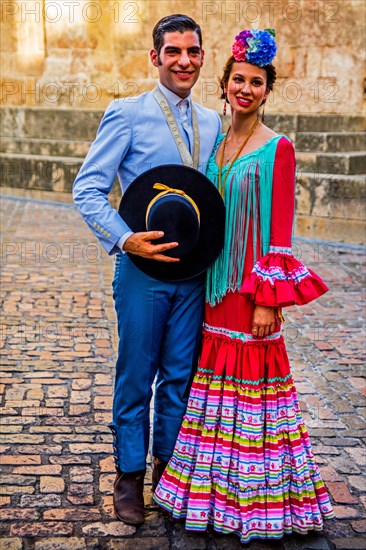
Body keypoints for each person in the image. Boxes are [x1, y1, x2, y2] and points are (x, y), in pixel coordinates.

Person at [154, 29, 334, 543]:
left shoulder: (278, 148)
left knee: (253, 392)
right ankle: (208, 496)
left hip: (250, 289)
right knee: (212, 388)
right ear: (225, 84)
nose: (246, 89)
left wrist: (266, 301)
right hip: (213, 285)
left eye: (256, 82)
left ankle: (259, 503)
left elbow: (280, 234)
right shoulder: (217, 142)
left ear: (267, 90)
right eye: (239, 80)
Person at [73, 14, 221, 526]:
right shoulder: (127, 113)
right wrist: (124, 238)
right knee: (136, 376)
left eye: (194, 51)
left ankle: (171, 476)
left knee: (181, 377)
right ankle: (129, 477)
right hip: (141, 271)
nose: (185, 60)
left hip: (194, 273)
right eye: (174, 51)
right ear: (155, 57)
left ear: (203, 57)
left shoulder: (213, 122)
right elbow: (87, 188)